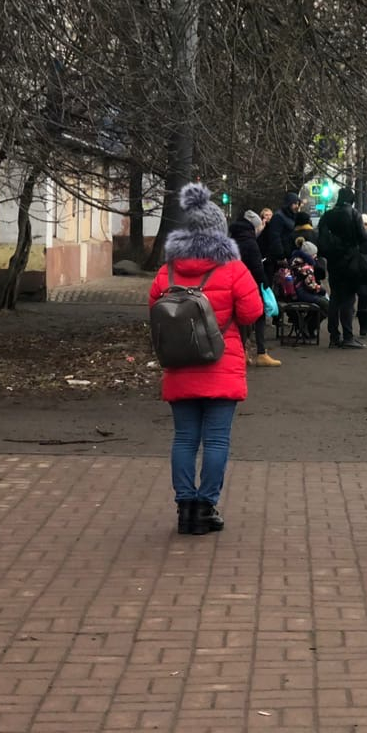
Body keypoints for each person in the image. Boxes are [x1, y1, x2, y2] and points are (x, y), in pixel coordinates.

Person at [149, 183, 264, 536]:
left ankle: (184, 508)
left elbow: (155, 312)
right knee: (215, 441)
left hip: (180, 365)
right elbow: (252, 312)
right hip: (220, 365)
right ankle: (205, 507)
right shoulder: (233, 270)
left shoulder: (167, 271)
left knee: (184, 439)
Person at [228, 209, 281, 367]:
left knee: (240, 319)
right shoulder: (250, 242)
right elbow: (257, 268)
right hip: (250, 284)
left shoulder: (232, 239)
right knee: (259, 315)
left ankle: (241, 352)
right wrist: (265, 283)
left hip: (233, 284)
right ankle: (261, 352)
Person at [317, 187, 367, 348]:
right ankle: (348, 336)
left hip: (333, 262)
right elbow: (363, 237)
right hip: (351, 261)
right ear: (351, 200)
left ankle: (333, 336)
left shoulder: (328, 215)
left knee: (335, 298)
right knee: (348, 299)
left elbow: (321, 238)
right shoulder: (353, 214)